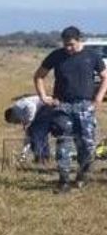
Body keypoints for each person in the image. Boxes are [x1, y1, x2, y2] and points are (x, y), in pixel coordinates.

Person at [34, 26, 107, 193]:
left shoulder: (92, 56)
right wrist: (44, 97)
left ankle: (82, 176)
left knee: (87, 145)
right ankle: (64, 180)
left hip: (85, 106)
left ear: (80, 40)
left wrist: (98, 98)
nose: (68, 48)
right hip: (62, 106)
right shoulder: (56, 56)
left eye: (71, 44)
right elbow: (39, 76)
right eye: (65, 44)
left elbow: (105, 77)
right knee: (63, 142)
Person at [4, 95, 51, 164]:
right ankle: (45, 157)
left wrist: (29, 121)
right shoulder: (20, 113)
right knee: (39, 134)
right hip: (45, 106)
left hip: (45, 106)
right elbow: (27, 139)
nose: (16, 123)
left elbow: (31, 106)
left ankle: (40, 157)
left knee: (35, 133)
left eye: (13, 121)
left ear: (11, 116)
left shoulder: (17, 108)